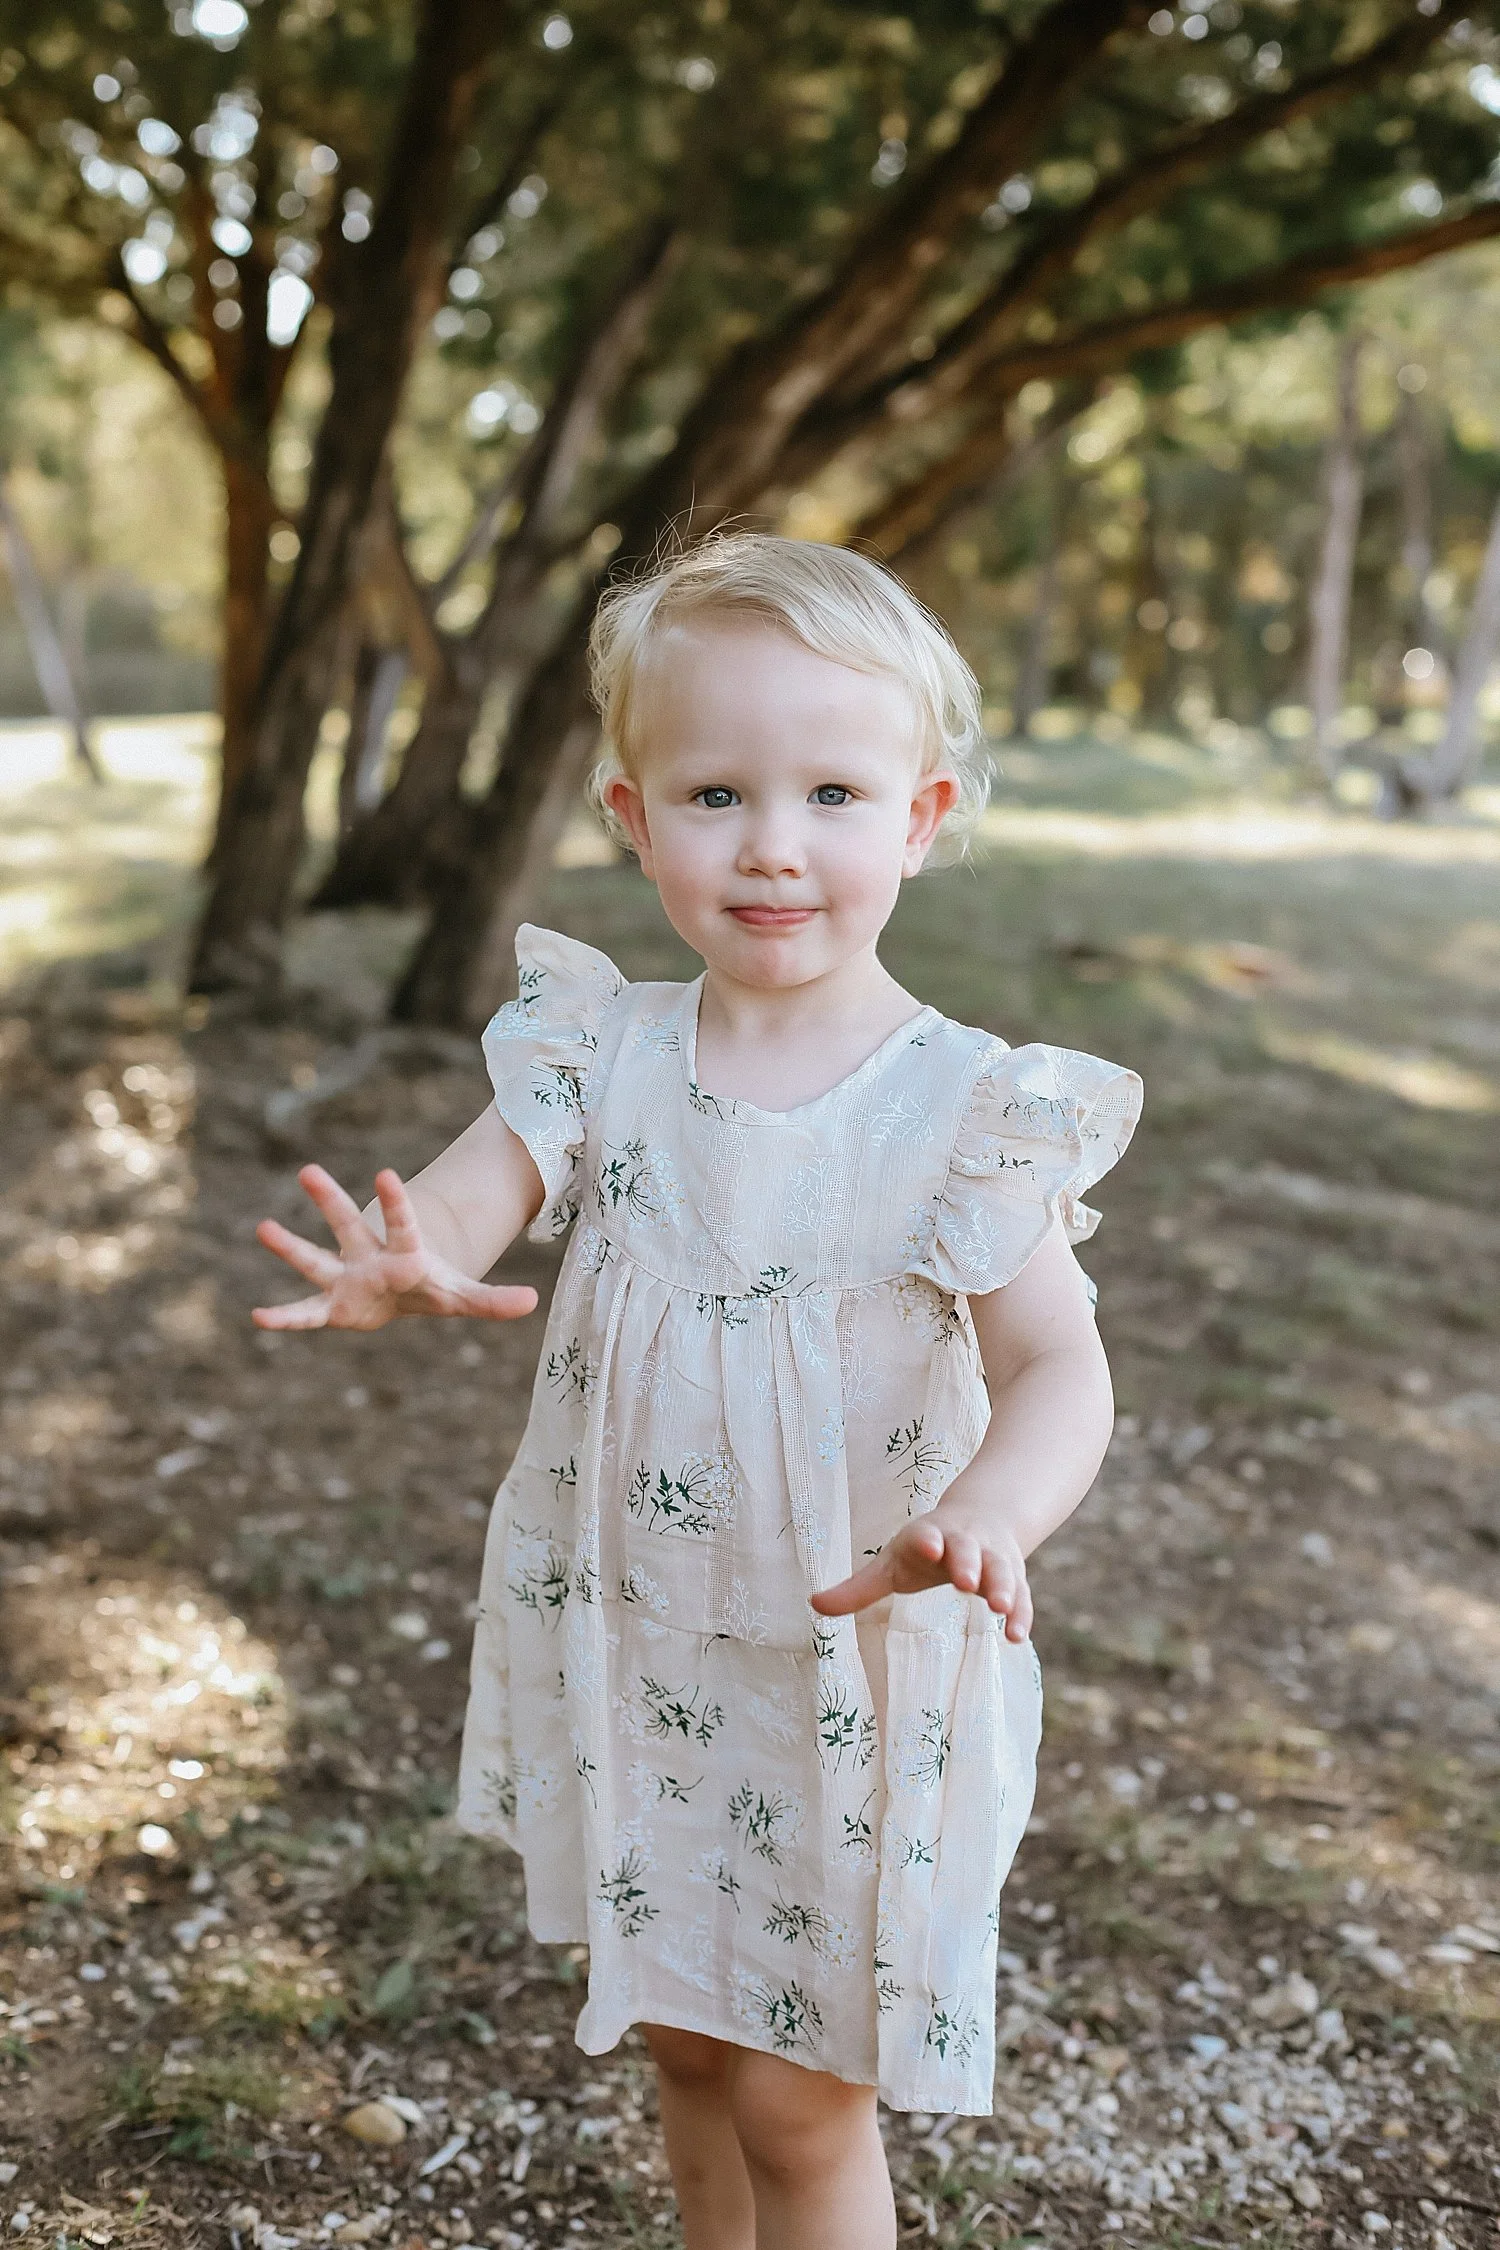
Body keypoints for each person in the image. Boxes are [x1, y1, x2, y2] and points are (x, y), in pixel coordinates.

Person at [253, 534, 1142, 2250]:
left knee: (805, 2101)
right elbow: (472, 1189)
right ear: (630, 812)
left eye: (830, 790)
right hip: (652, 1641)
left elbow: (1060, 1364)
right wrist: (411, 1251)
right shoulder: (606, 1048)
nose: (774, 844)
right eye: (718, 791)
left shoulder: (968, 1108)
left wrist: (992, 1508)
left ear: (924, 815)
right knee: (682, 2043)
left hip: (857, 1662)